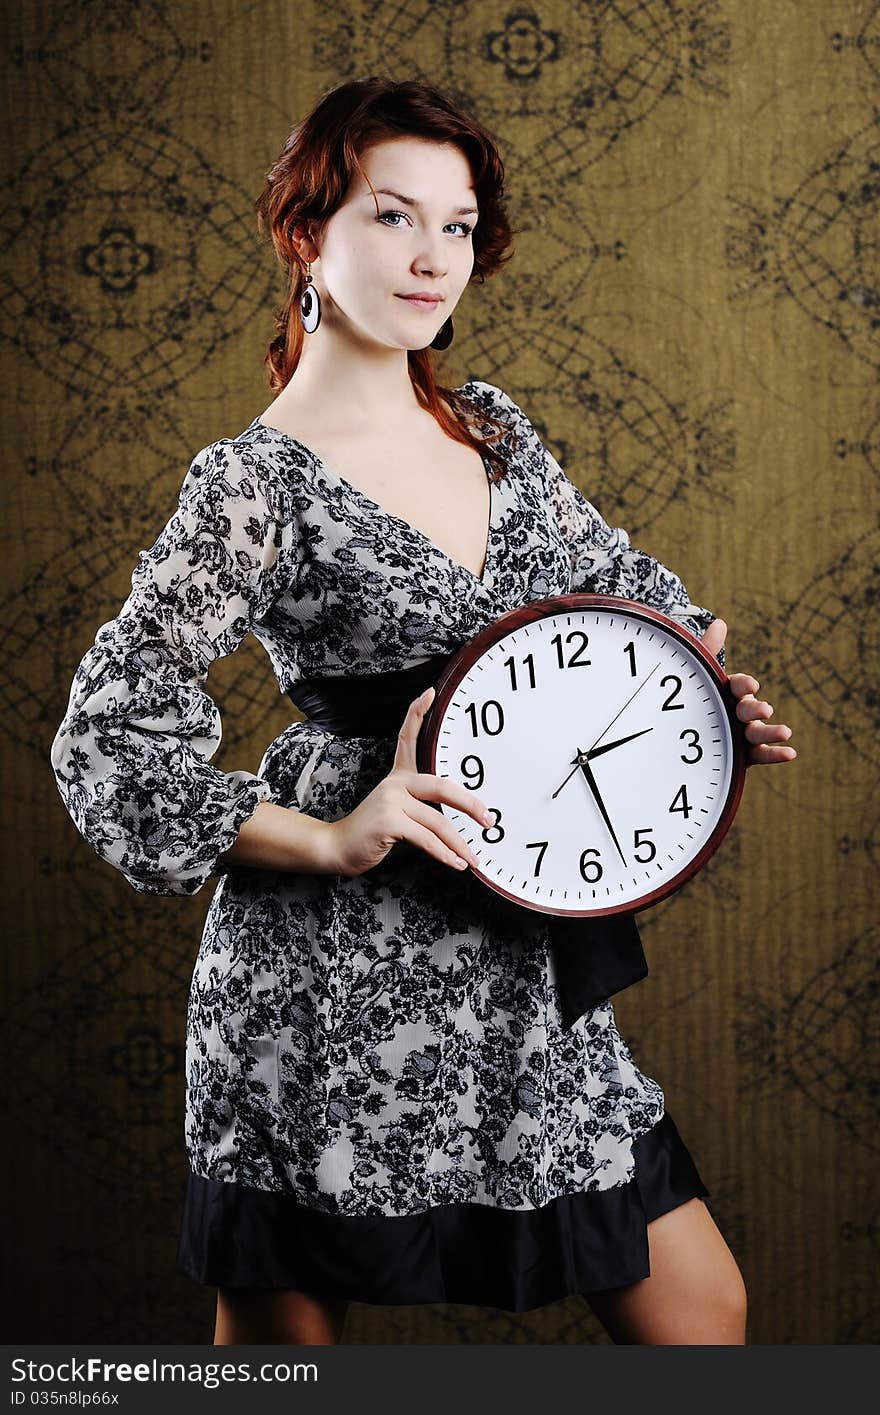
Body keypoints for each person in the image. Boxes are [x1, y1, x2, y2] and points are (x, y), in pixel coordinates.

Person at [49, 77, 796, 1346]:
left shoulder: (495, 432)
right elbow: (107, 739)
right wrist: (331, 835)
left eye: (456, 226)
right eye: (394, 216)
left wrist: (699, 693)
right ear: (306, 233)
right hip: (323, 980)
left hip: (517, 962)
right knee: (286, 1351)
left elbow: (632, 601)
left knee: (700, 1309)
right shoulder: (251, 483)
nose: (431, 257)